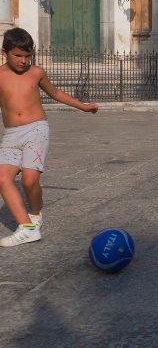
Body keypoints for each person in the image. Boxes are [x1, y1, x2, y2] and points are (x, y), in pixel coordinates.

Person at [0, 28, 98, 247]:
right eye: (18, 55)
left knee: (29, 179)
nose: (23, 61)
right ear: (4, 52)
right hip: (11, 134)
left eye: (27, 56)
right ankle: (27, 229)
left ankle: (35, 213)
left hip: (36, 129)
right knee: (2, 178)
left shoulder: (37, 73)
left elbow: (56, 93)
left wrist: (82, 106)